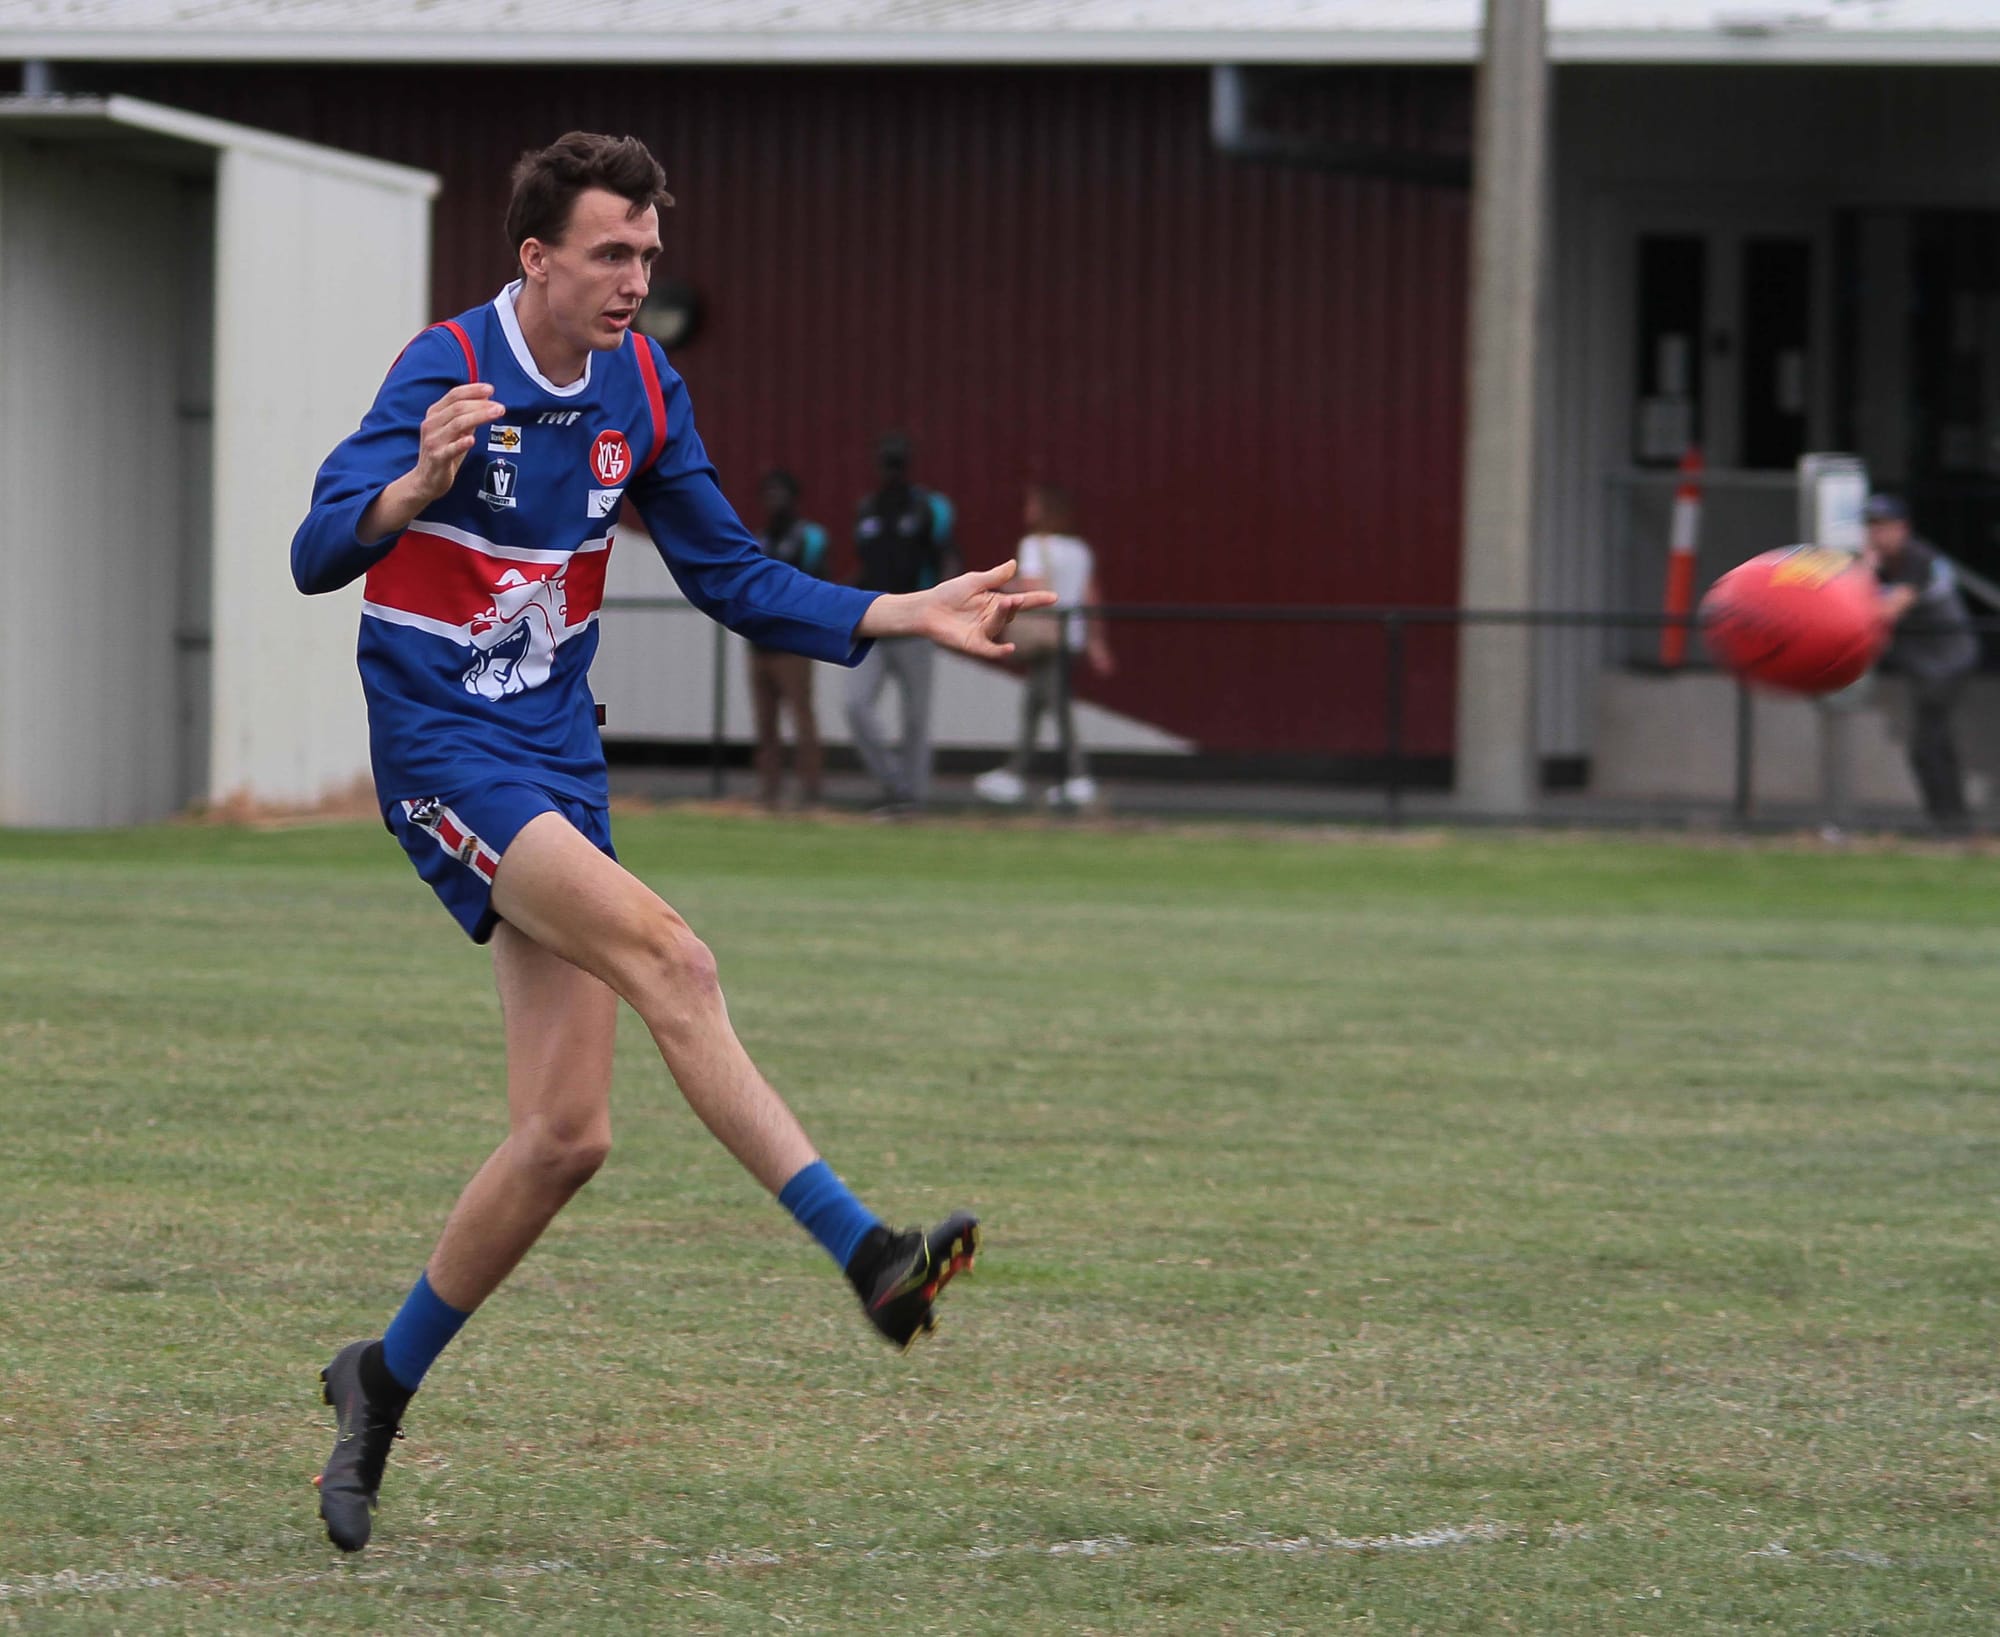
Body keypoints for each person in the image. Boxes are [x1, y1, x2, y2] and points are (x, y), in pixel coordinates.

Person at [288, 131, 1053, 1555]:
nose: (638, 277)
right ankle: (867, 1251)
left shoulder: (643, 385)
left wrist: (905, 608)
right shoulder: (444, 367)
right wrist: (408, 490)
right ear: (536, 258)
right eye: (610, 254)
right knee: (672, 956)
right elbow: (317, 543)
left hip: (557, 760)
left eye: (649, 252)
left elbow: (735, 578)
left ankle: (377, 1379)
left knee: (565, 1137)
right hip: (445, 754)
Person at [974, 484, 1115, 808]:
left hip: (1045, 636)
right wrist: (1097, 643)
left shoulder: (1033, 546)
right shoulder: (1080, 550)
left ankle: (1076, 779)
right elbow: (1091, 596)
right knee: (1036, 706)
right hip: (1072, 637)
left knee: (1055, 709)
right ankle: (1016, 775)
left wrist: (1000, 588)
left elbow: (1032, 588)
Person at [844, 433, 959, 813]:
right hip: (877, 618)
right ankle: (896, 785)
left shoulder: (926, 507)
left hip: (916, 620)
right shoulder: (869, 509)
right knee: (856, 704)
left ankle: (915, 799)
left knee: (915, 716)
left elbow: (948, 558)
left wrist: (947, 610)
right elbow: (864, 561)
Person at [1863, 492, 1981, 830]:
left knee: (1926, 744)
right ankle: (1952, 820)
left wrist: (1865, 575)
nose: (1876, 534)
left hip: (1949, 662)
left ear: (1903, 528)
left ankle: (1948, 821)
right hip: (1921, 664)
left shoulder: (1918, 558)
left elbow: (1888, 611)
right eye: (1871, 526)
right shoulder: (1882, 566)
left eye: (1884, 526)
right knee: (1936, 742)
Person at [748, 469, 830, 807]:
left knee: (801, 716)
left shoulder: (808, 537)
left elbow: (817, 584)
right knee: (765, 722)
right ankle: (769, 790)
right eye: (768, 493)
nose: (773, 500)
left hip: (792, 645)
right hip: (760, 643)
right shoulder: (761, 539)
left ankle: (810, 789)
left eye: (779, 493)